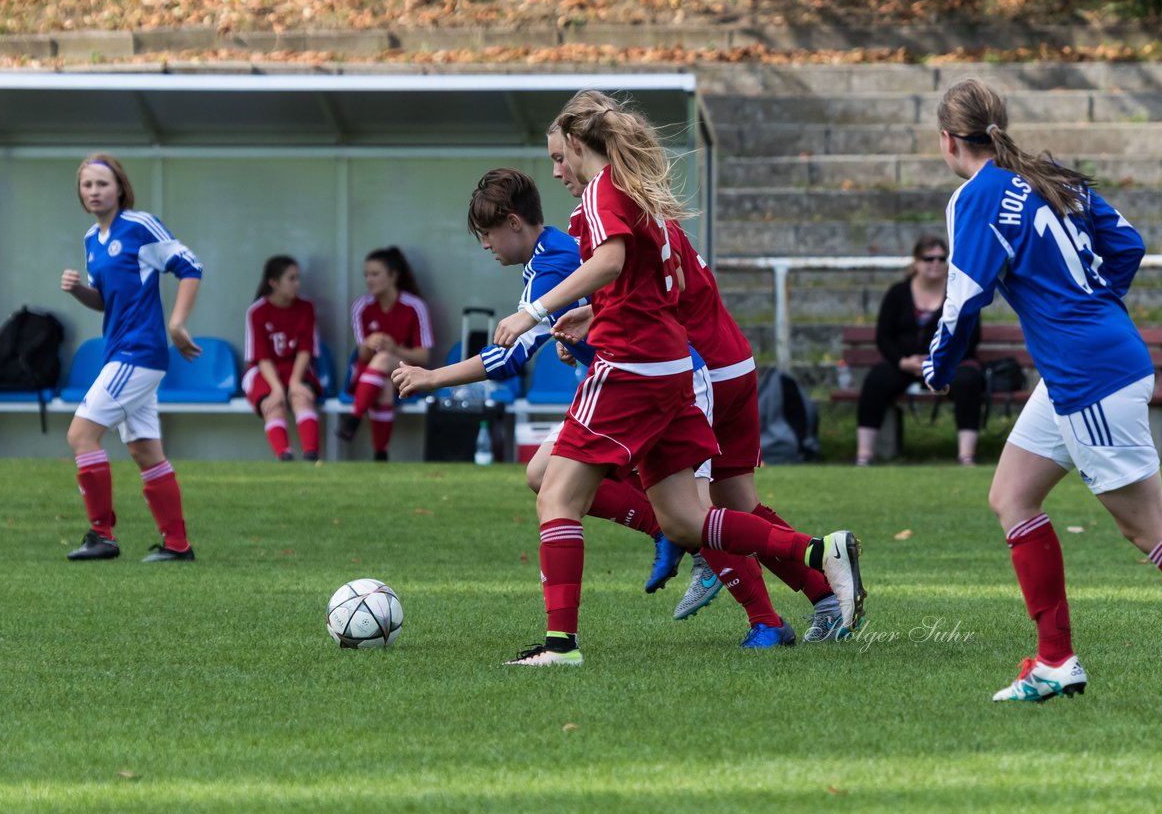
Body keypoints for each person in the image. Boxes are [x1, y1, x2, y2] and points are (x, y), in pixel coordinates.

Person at [490, 90, 865, 665]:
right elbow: (659, 283)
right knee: (687, 519)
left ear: (574, 141)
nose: (557, 170)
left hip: (633, 366)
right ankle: (820, 553)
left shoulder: (602, 192)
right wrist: (599, 310)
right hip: (675, 365)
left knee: (556, 492)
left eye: (558, 157)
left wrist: (532, 312)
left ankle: (559, 646)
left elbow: (611, 261)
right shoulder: (640, 194)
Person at [924, 78, 1162, 702]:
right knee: (1012, 496)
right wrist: (1092, 305)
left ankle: (1057, 659)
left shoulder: (974, 196)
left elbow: (966, 295)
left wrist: (937, 366)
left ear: (947, 140)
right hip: (1089, 364)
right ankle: (1056, 662)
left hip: (1090, 376)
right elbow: (1128, 243)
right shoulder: (1050, 173)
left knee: (1152, 529)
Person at [392, 167, 723, 622]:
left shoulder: (551, 265)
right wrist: (582, 346)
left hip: (667, 381)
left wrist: (432, 378)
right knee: (545, 475)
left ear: (513, 223)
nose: (484, 245)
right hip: (630, 383)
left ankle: (801, 579)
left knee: (702, 518)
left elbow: (508, 358)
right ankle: (670, 538)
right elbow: (600, 313)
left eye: (488, 234)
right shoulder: (552, 250)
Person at [59, 152, 202, 563]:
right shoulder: (91, 239)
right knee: (144, 451)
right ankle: (177, 545)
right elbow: (106, 300)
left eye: (102, 184)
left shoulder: (139, 226)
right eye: (87, 185)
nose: (94, 191)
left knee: (80, 435)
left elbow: (191, 267)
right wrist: (77, 291)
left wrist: (177, 325)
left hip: (138, 352)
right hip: (119, 351)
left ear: (120, 187)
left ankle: (101, 535)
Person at [855, 235, 985, 466]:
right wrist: (903, 361)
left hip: (947, 364)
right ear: (916, 261)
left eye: (941, 258)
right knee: (877, 380)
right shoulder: (898, 293)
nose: (935, 263)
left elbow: (971, 337)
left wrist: (939, 361)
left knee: (968, 381)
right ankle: (864, 454)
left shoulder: (958, 294)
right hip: (906, 364)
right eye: (928, 258)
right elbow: (883, 337)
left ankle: (966, 455)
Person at [339, 247, 433, 461]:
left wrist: (394, 349)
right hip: (370, 376)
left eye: (375, 274)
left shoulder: (414, 306)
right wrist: (368, 345)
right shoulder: (361, 306)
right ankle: (380, 453)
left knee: (383, 361)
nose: (369, 280)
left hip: (409, 375)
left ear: (393, 276)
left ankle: (354, 418)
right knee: (384, 382)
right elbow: (362, 356)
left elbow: (423, 357)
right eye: (366, 275)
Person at [243, 254, 323, 462]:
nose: (298, 284)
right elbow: (261, 357)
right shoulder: (257, 311)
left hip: (296, 367)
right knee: (273, 404)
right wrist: (277, 389)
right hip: (264, 371)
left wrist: (296, 382)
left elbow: (306, 349)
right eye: (292, 278)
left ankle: (311, 455)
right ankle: (284, 456)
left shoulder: (306, 308)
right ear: (273, 283)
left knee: (301, 397)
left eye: (298, 278)